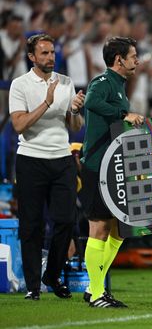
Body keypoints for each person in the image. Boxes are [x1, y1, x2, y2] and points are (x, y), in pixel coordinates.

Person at [8, 33, 85, 300]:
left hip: (61, 159)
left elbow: (74, 127)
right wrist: (46, 103)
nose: (50, 57)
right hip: (30, 159)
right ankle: (32, 286)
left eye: (52, 52)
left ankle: (51, 274)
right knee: (32, 225)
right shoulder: (20, 85)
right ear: (31, 57)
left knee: (66, 221)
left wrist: (75, 109)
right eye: (44, 53)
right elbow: (18, 124)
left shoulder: (66, 82)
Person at [79, 36, 144, 308]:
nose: (137, 61)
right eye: (133, 56)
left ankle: (95, 287)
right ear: (119, 60)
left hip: (114, 164)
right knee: (100, 228)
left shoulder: (119, 85)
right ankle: (96, 293)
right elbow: (90, 102)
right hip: (97, 166)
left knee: (119, 229)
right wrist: (123, 114)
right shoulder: (103, 83)